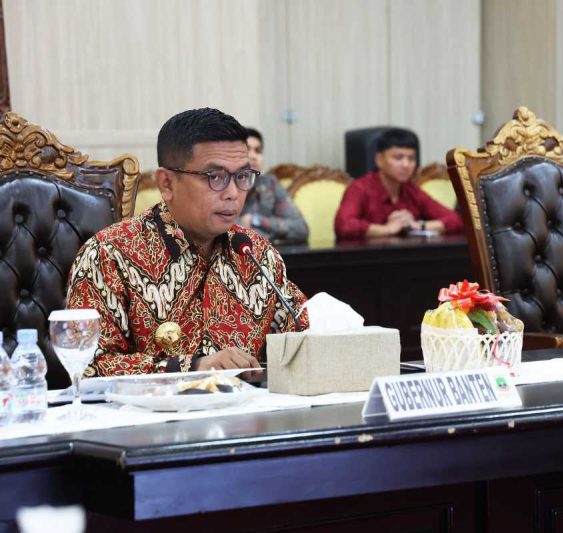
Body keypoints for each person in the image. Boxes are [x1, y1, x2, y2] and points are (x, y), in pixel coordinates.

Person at [66, 108, 309, 377]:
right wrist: (192, 368)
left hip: (245, 415)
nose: (232, 194)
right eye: (215, 177)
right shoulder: (109, 254)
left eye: (242, 177)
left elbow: (303, 337)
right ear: (167, 183)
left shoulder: (257, 254)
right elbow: (87, 367)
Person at [334, 128, 463, 239]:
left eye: (411, 158)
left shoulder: (411, 190)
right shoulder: (360, 188)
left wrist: (418, 225)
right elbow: (344, 226)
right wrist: (387, 229)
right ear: (379, 159)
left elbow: (456, 220)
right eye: (398, 158)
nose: (406, 165)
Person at [238, 128, 309, 244]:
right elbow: (223, 232)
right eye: (247, 150)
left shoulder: (270, 184)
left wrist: (256, 220)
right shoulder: (225, 185)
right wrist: (272, 233)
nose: (253, 156)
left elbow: (301, 229)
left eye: (258, 151)